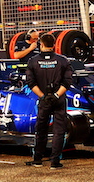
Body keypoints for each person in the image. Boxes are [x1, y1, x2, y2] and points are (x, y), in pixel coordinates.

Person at [25, 34, 72, 169]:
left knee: (41, 130)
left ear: (41, 44)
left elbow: (30, 82)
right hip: (59, 99)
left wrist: (43, 96)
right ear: (54, 44)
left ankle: (38, 159)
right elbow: (68, 82)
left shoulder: (33, 61)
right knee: (59, 131)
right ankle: (55, 161)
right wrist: (56, 95)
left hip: (43, 100)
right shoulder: (63, 61)